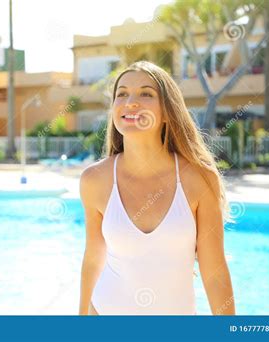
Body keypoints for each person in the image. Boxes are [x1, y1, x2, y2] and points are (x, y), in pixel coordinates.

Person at [78, 61, 235, 315]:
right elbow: (93, 258)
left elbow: (214, 269)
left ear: (167, 112)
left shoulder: (199, 178)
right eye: (122, 94)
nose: (131, 102)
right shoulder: (94, 180)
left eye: (146, 93)